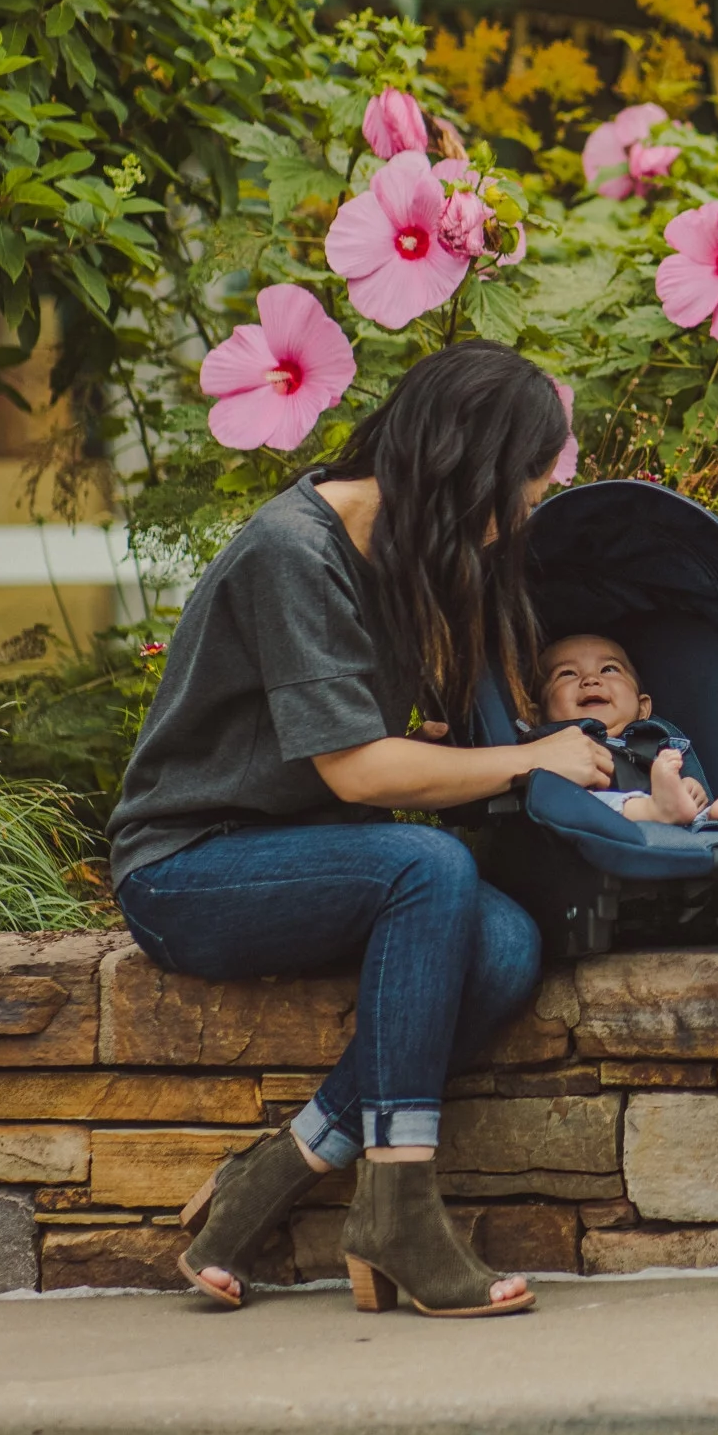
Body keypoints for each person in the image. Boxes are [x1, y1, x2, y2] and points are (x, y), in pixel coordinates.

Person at [106, 342, 607, 1318]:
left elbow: (349, 739)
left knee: (506, 945)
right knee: (429, 863)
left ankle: (284, 1163)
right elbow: (361, 770)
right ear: (468, 469)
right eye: (524, 491)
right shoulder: (292, 550)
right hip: (186, 869)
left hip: (294, 850)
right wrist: (529, 757)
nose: (523, 518)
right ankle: (399, 1203)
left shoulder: (395, 548)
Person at [533, 631, 718, 825]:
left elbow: (680, 786)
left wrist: (690, 790)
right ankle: (655, 810)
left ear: (642, 707)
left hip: (671, 821)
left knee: (689, 804)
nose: (591, 680)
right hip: (592, 817)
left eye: (609, 669)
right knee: (571, 802)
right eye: (567, 674)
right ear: (537, 714)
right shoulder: (545, 746)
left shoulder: (658, 741)